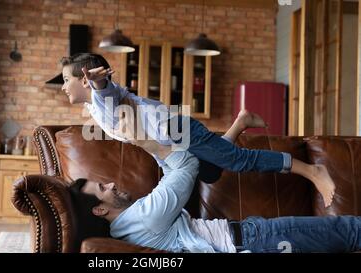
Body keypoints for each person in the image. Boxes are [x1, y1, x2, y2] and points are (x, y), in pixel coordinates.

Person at [60, 53, 335, 207]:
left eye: (65, 80)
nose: (62, 86)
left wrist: (98, 84)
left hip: (176, 130)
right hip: (165, 143)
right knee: (211, 172)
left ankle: (312, 171)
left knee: (239, 160)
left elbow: (105, 93)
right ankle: (240, 122)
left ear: (85, 78)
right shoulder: (95, 109)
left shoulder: (101, 97)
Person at [74, 140, 361, 253]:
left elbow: (173, 177)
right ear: (99, 211)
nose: (111, 184)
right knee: (347, 231)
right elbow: (186, 164)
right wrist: (145, 139)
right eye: (102, 189)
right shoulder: (144, 217)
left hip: (247, 238)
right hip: (254, 240)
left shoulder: (127, 229)